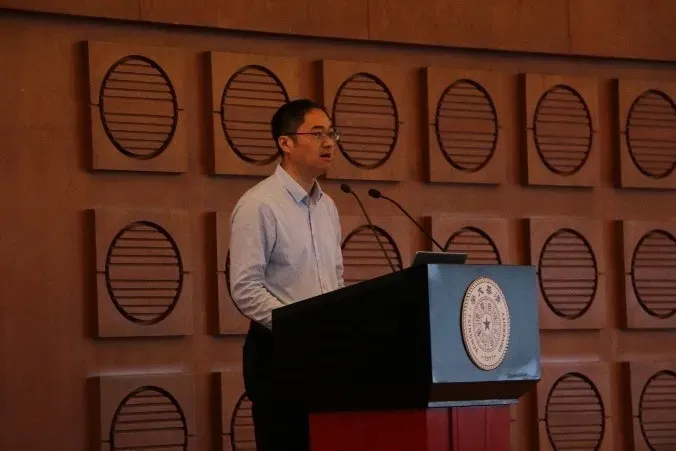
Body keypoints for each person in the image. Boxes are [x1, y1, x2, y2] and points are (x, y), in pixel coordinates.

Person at [228, 98, 345, 451]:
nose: (328, 142)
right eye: (317, 133)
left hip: (326, 356)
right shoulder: (259, 205)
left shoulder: (328, 207)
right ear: (286, 143)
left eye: (332, 133)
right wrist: (297, 326)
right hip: (279, 356)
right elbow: (245, 288)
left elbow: (335, 279)